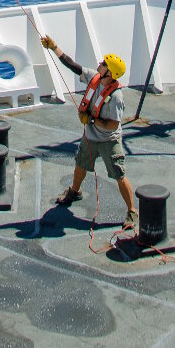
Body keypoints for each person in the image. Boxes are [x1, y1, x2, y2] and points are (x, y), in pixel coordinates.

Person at [41, 34, 138, 231]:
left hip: (109, 140)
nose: (99, 64)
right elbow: (72, 65)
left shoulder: (116, 97)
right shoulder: (95, 77)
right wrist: (54, 47)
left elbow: (113, 125)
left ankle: (132, 211)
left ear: (109, 73)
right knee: (80, 164)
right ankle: (74, 192)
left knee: (119, 174)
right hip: (91, 137)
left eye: (103, 63)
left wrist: (91, 120)